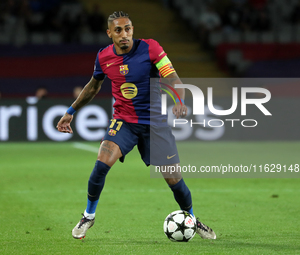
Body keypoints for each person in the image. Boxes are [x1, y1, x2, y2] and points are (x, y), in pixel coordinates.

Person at [56, 11, 216, 240]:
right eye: (118, 30)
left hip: (155, 125)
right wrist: (70, 111)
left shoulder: (151, 48)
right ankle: (88, 216)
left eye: (128, 28)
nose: (124, 34)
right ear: (109, 33)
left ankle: (191, 218)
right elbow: (93, 86)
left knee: (174, 181)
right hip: (124, 122)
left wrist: (179, 100)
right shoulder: (103, 57)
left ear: (132, 29)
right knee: (101, 164)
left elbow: (173, 78)